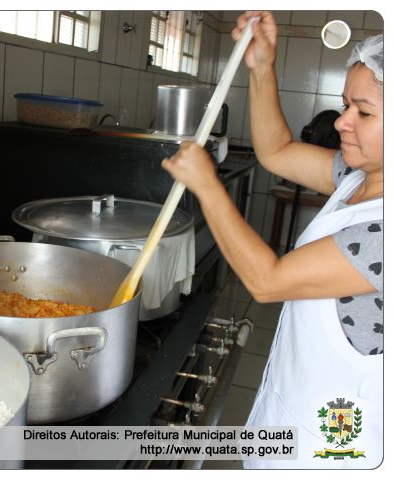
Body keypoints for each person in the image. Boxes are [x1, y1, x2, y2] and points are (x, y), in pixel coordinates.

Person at [161, 11, 383, 469]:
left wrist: (207, 186)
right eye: (346, 106)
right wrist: (262, 67)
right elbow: (277, 151)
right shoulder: (360, 177)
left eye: (364, 112)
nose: (343, 122)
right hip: (294, 412)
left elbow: (267, 281)